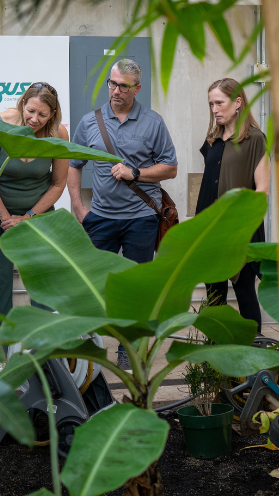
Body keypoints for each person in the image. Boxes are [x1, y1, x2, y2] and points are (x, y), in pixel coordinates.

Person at [67, 59, 177, 370]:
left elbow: (170, 167)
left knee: (135, 288)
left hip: (141, 219)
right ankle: (86, 346)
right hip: (100, 218)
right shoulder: (90, 122)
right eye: (112, 83)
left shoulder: (153, 122)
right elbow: (74, 165)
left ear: (137, 89)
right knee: (92, 284)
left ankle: (128, 348)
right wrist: (78, 207)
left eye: (123, 86)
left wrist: (136, 173)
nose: (116, 90)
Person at [0, 82, 69, 343]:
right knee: (0, 282)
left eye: (42, 115)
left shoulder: (58, 134)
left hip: (38, 214)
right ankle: (1, 353)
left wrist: (27, 216)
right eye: (30, 111)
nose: (34, 119)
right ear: (22, 104)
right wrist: (7, 218)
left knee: (41, 279)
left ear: (52, 114)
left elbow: (58, 184)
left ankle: (42, 351)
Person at [195, 78, 271, 333]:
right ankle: (216, 361)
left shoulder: (256, 140)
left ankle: (254, 353)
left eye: (219, 103)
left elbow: (262, 190)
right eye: (211, 104)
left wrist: (242, 227)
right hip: (210, 231)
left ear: (237, 102)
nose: (214, 109)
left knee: (245, 292)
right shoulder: (212, 140)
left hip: (240, 231)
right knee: (214, 298)